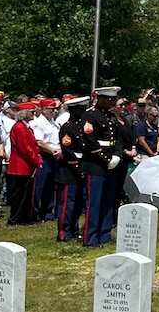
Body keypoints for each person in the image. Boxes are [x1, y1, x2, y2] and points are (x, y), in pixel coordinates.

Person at [78, 86, 126, 246]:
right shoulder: (89, 116)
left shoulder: (111, 117)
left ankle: (104, 234)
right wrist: (107, 159)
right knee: (94, 203)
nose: (112, 103)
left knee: (107, 201)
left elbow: (118, 139)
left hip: (111, 164)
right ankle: (90, 238)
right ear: (101, 99)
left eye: (114, 100)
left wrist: (117, 156)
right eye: (110, 100)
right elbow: (90, 142)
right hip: (95, 164)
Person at [54, 96, 89, 243]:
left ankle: (74, 229)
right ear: (73, 111)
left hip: (80, 169)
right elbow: (68, 150)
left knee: (77, 204)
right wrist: (78, 167)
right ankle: (63, 232)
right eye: (80, 109)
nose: (83, 112)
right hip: (69, 171)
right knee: (67, 204)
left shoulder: (82, 127)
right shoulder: (67, 128)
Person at [6, 102, 41, 225]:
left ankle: (23, 217)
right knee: (20, 195)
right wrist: (36, 161)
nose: (33, 114)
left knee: (25, 194)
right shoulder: (20, 128)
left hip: (25, 165)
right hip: (20, 166)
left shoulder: (25, 126)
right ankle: (15, 218)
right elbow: (25, 148)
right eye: (31, 112)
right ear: (25, 113)